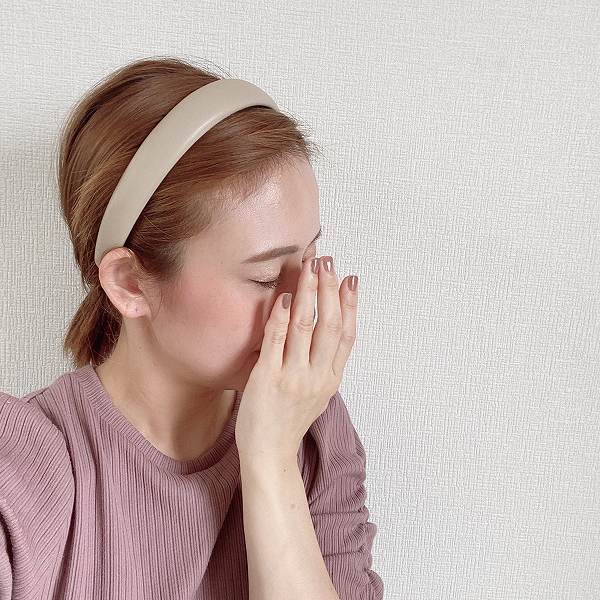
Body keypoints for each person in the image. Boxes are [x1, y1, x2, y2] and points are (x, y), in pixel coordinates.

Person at [0, 56, 384, 599]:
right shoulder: (22, 465)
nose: (305, 306)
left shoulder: (311, 432)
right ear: (130, 283)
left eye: (310, 259)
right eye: (265, 276)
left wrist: (271, 459)